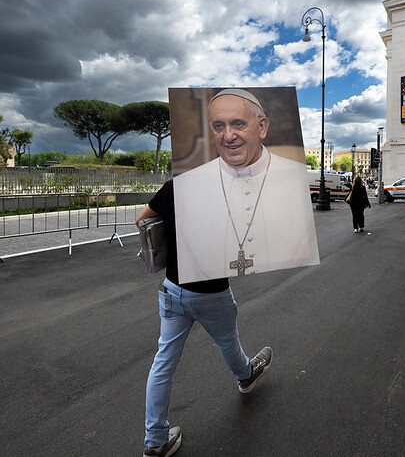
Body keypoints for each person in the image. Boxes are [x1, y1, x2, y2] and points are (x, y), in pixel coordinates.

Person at [136, 180, 273, 457]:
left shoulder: (174, 186)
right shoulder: (229, 193)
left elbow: (141, 220)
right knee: (228, 343)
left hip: (173, 288)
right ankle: (245, 376)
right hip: (212, 293)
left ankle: (155, 441)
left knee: (163, 363)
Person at [172, 88, 319, 283]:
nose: (228, 136)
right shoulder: (185, 185)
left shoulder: (296, 178)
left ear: (262, 127)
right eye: (218, 126)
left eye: (238, 124)